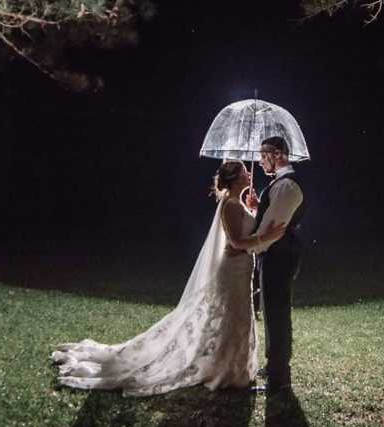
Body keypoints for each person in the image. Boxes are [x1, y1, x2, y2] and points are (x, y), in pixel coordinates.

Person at [51, 160, 286, 397]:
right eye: (245, 172)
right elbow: (236, 242)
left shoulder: (238, 204)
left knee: (235, 317)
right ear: (235, 179)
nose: (249, 174)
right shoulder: (231, 205)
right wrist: (267, 236)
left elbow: (244, 229)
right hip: (233, 269)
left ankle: (230, 366)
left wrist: (253, 209)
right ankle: (226, 370)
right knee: (232, 317)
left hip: (241, 269)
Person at [247, 136, 304, 395]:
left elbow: (273, 227)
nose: (260, 161)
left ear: (278, 154)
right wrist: (258, 207)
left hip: (279, 255)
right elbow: (271, 216)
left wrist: (250, 248)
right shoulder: (280, 185)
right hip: (277, 254)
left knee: (277, 313)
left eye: (264, 154)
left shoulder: (288, 185)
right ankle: (274, 368)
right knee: (272, 311)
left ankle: (279, 377)